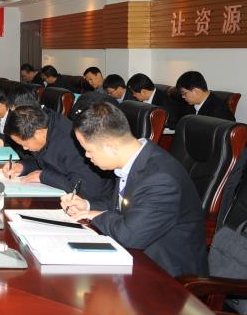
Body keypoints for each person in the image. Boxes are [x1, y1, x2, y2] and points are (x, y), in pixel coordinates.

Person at [61, 102, 208, 277]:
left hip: (166, 273)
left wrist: (98, 216)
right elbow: (128, 204)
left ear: (111, 148)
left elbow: (130, 236)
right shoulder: (136, 159)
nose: (86, 156)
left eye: (89, 150)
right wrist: (87, 206)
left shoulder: (160, 179)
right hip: (138, 256)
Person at [3, 105, 114, 205]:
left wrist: (44, 176)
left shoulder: (71, 143)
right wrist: (23, 166)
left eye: (25, 144)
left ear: (39, 133)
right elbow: (44, 162)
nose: (25, 148)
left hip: (96, 203)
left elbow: (83, 188)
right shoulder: (44, 128)